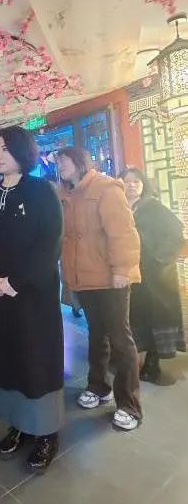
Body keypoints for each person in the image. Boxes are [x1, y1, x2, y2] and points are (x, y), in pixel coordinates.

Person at [0, 126, 64, 472]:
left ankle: (46, 432)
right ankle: (18, 424)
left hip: (32, 296)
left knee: (35, 361)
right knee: (7, 361)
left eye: (5, 149)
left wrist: (15, 282)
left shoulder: (41, 190)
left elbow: (49, 244)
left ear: (22, 152)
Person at [57, 147, 143, 431]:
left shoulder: (106, 187)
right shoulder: (67, 194)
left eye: (63, 160)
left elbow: (123, 233)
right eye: (58, 162)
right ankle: (98, 386)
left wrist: (121, 270)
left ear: (79, 162)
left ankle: (129, 405)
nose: (60, 166)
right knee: (96, 334)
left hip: (111, 278)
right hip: (86, 279)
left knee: (121, 339)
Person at [120, 168, 185, 384]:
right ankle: (134, 359)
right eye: (127, 181)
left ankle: (152, 362)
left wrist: (158, 258)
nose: (131, 185)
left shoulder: (154, 207)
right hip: (129, 273)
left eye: (136, 181)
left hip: (155, 276)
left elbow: (175, 232)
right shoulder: (118, 207)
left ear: (143, 184)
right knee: (134, 317)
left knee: (155, 318)